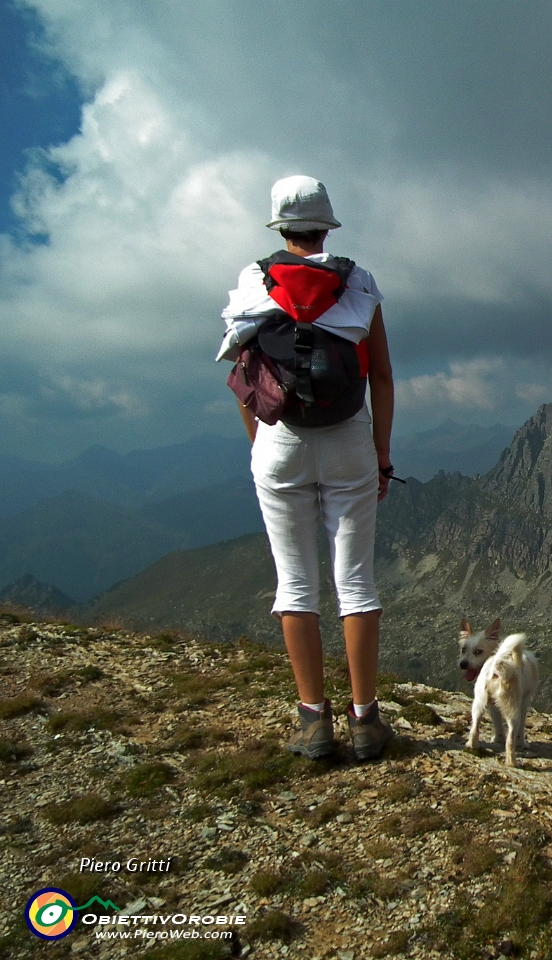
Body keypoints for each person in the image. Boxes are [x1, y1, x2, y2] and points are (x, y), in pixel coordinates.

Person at [219, 175, 396, 761]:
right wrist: (380, 456)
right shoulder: (360, 283)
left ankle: (313, 722)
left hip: (281, 440)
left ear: (281, 229)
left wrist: (258, 447)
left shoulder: (253, 282)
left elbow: (242, 377)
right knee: (357, 582)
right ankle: (367, 722)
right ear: (327, 226)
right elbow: (382, 376)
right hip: (349, 436)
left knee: (295, 583)